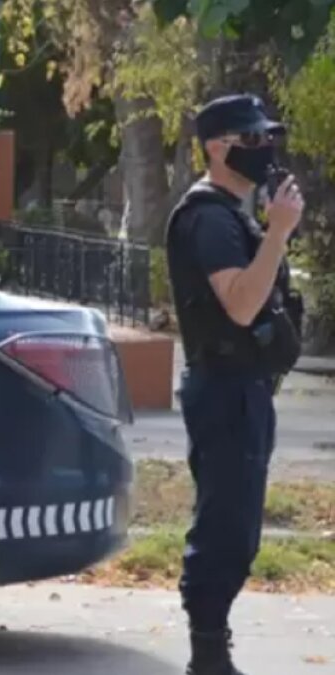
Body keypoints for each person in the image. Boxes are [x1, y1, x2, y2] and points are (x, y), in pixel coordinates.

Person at [164, 93, 306, 675]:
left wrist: (273, 232)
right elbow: (242, 306)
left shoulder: (232, 214)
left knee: (239, 528)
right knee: (225, 527)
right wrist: (278, 233)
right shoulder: (208, 219)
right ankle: (207, 656)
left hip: (243, 389)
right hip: (224, 390)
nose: (264, 148)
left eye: (267, 137)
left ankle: (212, 652)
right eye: (251, 139)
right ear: (218, 148)